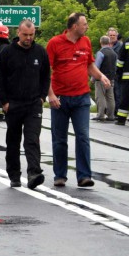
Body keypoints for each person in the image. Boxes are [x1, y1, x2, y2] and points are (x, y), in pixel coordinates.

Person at [47, 12, 111, 188]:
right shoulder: (55, 43)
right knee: (59, 139)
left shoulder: (86, 42)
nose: (87, 26)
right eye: (84, 23)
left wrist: (101, 76)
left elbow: (89, 64)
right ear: (74, 26)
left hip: (81, 98)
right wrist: (50, 94)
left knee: (82, 136)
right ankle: (60, 175)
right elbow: (46, 71)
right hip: (60, 98)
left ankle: (84, 176)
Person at [0, 20, 51, 189]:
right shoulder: (7, 52)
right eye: (25, 35)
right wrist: (4, 102)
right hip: (13, 104)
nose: (28, 38)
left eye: (31, 35)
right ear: (18, 33)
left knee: (32, 139)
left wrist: (42, 97)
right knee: (13, 140)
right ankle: (14, 174)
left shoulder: (40, 52)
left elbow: (46, 76)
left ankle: (34, 172)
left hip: (34, 104)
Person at [93, 35, 117, 121]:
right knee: (110, 97)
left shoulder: (101, 53)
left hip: (101, 79)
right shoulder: (114, 53)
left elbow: (96, 66)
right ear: (109, 42)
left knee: (100, 97)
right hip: (111, 78)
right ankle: (111, 115)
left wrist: (93, 78)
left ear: (101, 42)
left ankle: (101, 115)